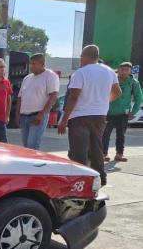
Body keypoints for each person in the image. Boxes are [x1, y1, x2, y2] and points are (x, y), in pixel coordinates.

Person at [58, 44, 122, 186]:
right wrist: (104, 101)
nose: (80, 59)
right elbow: (118, 92)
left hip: (80, 116)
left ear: (85, 56)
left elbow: (73, 97)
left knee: (78, 150)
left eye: (81, 56)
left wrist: (64, 119)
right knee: (96, 148)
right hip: (99, 115)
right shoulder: (109, 72)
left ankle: (79, 180)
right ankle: (100, 178)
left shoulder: (80, 73)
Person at [15, 53, 59, 150]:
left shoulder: (50, 76)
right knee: (26, 147)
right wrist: (18, 114)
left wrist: (41, 115)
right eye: (30, 63)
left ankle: (33, 165)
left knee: (32, 146)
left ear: (42, 64)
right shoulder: (27, 78)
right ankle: (27, 165)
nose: (31, 66)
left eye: (34, 64)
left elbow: (53, 97)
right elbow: (20, 97)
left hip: (37, 117)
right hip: (24, 117)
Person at [103, 61, 142, 162]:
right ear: (118, 69)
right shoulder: (111, 79)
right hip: (108, 113)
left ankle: (119, 154)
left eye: (126, 70)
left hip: (123, 114)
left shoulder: (133, 83)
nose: (124, 72)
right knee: (105, 134)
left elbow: (138, 98)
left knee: (121, 135)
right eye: (122, 69)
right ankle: (104, 153)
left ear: (130, 71)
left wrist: (133, 112)